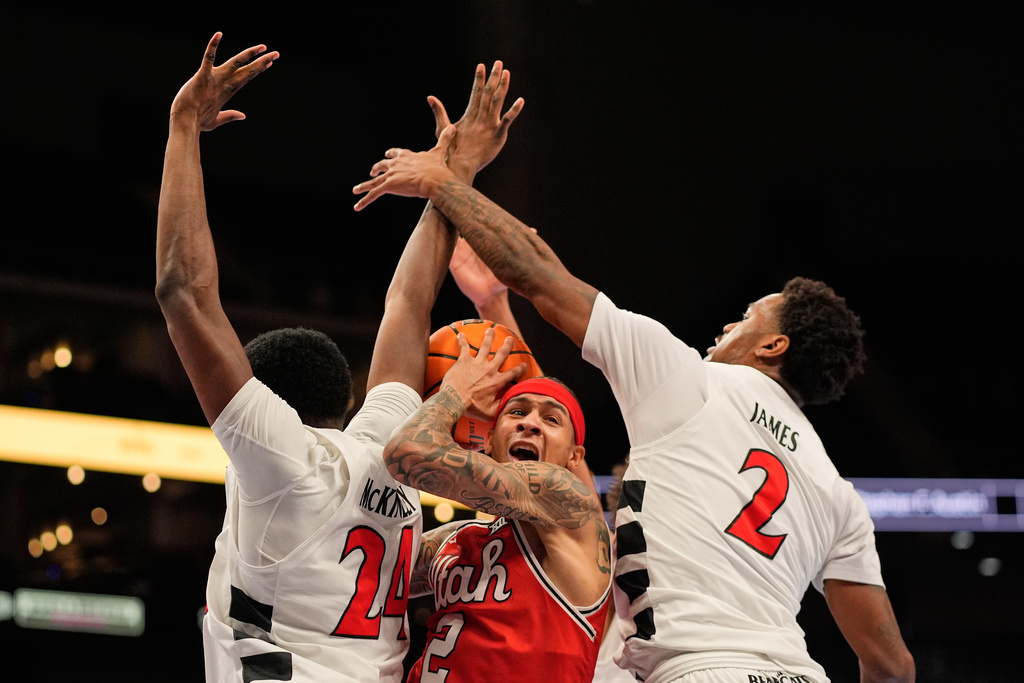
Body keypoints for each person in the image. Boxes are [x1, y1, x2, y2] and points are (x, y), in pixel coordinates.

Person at [351, 119, 916, 681]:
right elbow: (890, 664)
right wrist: (494, 304)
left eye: (747, 317)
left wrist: (446, 182)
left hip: (695, 670)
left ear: (773, 345)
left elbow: (541, 274)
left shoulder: (692, 380)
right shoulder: (837, 494)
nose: (727, 323)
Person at [155, 34, 510, 682]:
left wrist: (184, 126)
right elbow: (406, 302)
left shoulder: (276, 459)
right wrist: (450, 180)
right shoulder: (387, 450)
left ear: (261, 400)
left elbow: (183, 290)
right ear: (344, 399)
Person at [384, 327, 612, 682]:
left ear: (574, 457)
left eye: (551, 419)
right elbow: (378, 569)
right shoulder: (460, 538)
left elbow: (406, 453)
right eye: (517, 412)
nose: (530, 424)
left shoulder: (570, 500)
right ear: (487, 441)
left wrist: (456, 391)